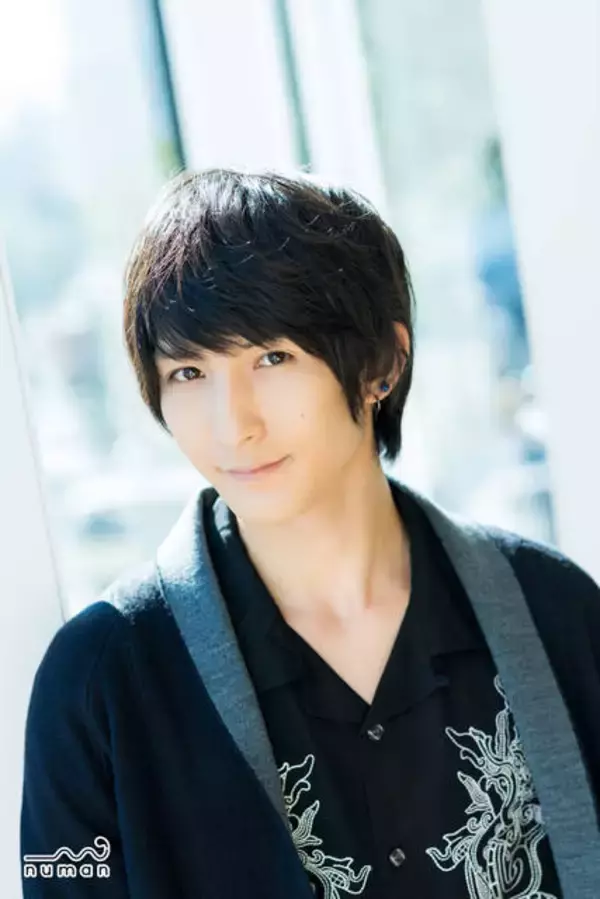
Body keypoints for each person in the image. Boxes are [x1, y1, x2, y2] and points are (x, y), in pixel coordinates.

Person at [20, 169, 600, 898]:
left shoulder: (555, 611)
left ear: (383, 362)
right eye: (189, 372)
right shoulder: (98, 682)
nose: (233, 424)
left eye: (272, 358)